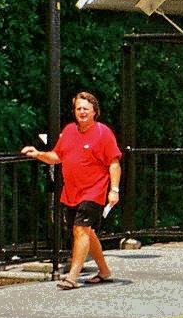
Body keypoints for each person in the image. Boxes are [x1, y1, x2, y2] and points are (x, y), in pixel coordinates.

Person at [21, 91, 122, 288]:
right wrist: (38, 154)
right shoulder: (68, 131)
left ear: (95, 111)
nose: (82, 112)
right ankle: (104, 270)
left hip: (94, 191)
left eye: (86, 108)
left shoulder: (103, 133)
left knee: (80, 229)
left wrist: (114, 189)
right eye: (78, 108)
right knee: (86, 231)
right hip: (72, 191)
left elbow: (114, 163)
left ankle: (72, 277)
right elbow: (57, 156)